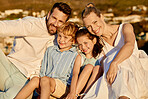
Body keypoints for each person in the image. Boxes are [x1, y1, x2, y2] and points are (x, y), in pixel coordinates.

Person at [0, 2, 72, 99]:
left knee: (14, 96)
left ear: (65, 23)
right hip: (8, 66)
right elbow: (4, 27)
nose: (55, 24)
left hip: (24, 81)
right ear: (49, 14)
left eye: (60, 21)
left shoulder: (61, 39)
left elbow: (83, 36)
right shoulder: (32, 24)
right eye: (54, 18)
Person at [81, 3, 148, 99]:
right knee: (111, 60)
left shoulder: (125, 27)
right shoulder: (98, 43)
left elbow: (129, 46)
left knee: (118, 57)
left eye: (95, 22)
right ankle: (123, 96)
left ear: (102, 17)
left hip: (137, 74)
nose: (94, 28)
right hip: (114, 81)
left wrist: (114, 63)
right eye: (88, 27)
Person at [15, 22, 79, 99]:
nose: (61, 40)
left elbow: (75, 74)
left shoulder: (75, 54)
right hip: (46, 83)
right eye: (59, 36)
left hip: (63, 86)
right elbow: (43, 70)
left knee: (45, 79)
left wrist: (73, 92)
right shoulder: (50, 50)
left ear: (73, 41)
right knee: (35, 79)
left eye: (65, 37)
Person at [66, 28, 104, 99]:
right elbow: (75, 74)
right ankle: (74, 96)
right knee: (89, 67)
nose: (83, 47)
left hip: (91, 88)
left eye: (85, 43)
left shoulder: (100, 56)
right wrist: (72, 92)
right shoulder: (81, 57)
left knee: (98, 68)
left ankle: (86, 96)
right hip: (79, 87)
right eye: (80, 44)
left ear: (94, 41)